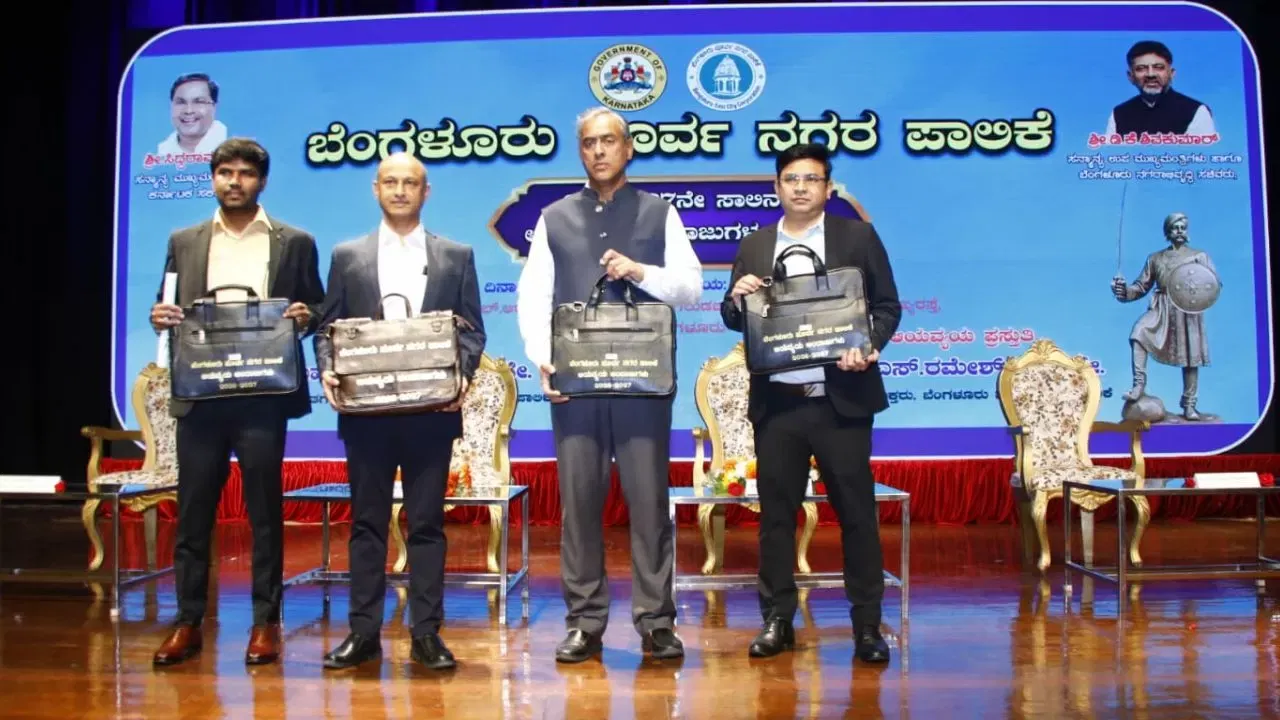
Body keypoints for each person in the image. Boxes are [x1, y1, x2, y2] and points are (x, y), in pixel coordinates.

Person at [515, 106, 703, 663]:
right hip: (577, 384)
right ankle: (584, 621)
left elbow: (691, 287)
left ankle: (657, 621)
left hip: (643, 382)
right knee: (579, 505)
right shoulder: (554, 217)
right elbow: (533, 295)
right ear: (580, 151)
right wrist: (542, 358)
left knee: (649, 504)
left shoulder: (659, 213)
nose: (598, 151)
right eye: (588, 143)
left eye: (608, 141)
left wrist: (642, 272)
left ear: (628, 148)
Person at [720, 142, 901, 664]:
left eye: (811, 179)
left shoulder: (856, 237)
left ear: (828, 187)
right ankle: (778, 621)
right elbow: (733, 319)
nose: (800, 188)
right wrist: (737, 299)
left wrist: (868, 345)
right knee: (776, 519)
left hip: (840, 402)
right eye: (791, 179)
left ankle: (867, 626)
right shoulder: (756, 244)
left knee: (857, 516)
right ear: (777, 186)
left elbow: (887, 306)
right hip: (777, 406)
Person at [149, 138, 325, 666]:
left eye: (245, 173)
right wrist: (159, 316)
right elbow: (166, 304)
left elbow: (318, 305)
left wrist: (305, 317)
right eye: (225, 172)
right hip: (202, 394)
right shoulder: (185, 240)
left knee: (264, 512)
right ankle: (187, 622)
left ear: (261, 181)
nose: (234, 181)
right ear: (213, 177)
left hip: (262, 395)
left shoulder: (294, 241)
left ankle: (265, 622)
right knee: (194, 513)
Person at [314, 152, 486, 671]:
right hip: (366, 415)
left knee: (427, 525)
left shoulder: (456, 255)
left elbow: (473, 331)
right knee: (366, 525)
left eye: (410, 182)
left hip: (431, 413)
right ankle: (363, 633)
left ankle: (427, 634)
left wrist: (461, 375)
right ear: (376, 188)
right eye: (390, 181)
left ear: (425, 192)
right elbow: (327, 328)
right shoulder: (347, 255)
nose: (400, 190)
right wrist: (328, 368)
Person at [1111, 212, 1218, 420]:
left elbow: (1212, 284)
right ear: (1168, 231)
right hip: (1161, 307)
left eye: (1183, 227)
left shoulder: (1199, 256)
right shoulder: (1155, 258)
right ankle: (1138, 385)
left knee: (1191, 357)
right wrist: (1124, 291)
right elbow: (1141, 287)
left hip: (1187, 309)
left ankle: (1189, 405)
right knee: (1139, 333)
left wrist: (1195, 295)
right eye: (1175, 227)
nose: (1179, 231)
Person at [1104, 40, 1216, 137]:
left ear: (1171, 73)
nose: (1151, 74)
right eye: (1141, 68)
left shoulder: (1196, 111)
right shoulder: (1119, 114)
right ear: (1131, 77)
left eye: (1158, 67)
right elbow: (1111, 154)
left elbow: (1202, 154)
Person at [158, 73, 229, 155]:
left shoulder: (230, 143)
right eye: (181, 102)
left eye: (198, 102)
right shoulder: (161, 152)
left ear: (214, 106)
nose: (188, 110)